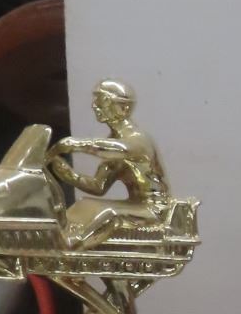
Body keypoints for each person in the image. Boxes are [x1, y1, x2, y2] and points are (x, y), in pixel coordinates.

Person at [46, 78, 172, 242]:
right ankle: (58, 238)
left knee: (109, 215)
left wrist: (76, 144)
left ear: (123, 108)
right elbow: (99, 186)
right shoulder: (114, 143)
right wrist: (69, 175)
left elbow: (119, 149)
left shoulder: (137, 139)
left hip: (154, 209)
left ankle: (71, 246)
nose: (94, 106)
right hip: (136, 205)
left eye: (102, 100)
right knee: (84, 205)